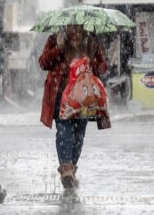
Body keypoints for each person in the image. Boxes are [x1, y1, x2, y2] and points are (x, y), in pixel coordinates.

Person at [38, 24, 108, 189]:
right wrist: (59, 48)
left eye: (76, 25)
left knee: (78, 135)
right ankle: (66, 171)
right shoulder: (55, 39)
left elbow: (102, 67)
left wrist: (92, 63)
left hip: (83, 98)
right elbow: (43, 63)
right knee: (64, 132)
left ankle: (71, 170)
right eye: (70, 25)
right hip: (60, 95)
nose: (73, 29)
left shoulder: (90, 41)